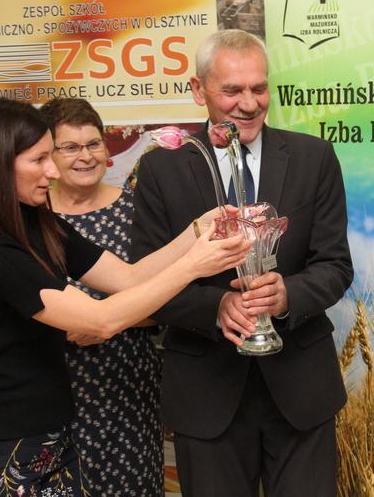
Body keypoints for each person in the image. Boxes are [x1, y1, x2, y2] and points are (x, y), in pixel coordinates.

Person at [0, 98, 250, 496]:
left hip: (52, 437)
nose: (53, 171)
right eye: (39, 160)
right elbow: (99, 320)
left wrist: (199, 230)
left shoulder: (38, 224)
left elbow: (127, 277)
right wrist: (193, 266)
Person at [130, 30, 353, 496]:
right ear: (198, 90)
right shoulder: (160, 170)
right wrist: (215, 308)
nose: (249, 104)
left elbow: (335, 265)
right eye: (232, 90)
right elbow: (144, 281)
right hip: (206, 395)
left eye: (259, 88)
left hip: (300, 392)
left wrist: (287, 295)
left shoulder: (314, 157)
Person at [38, 97, 163, 495]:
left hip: (129, 385)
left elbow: (165, 298)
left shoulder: (138, 210)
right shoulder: (31, 218)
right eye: (70, 147)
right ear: (47, 154)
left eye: (93, 144)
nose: (86, 156)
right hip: (53, 385)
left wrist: (105, 322)